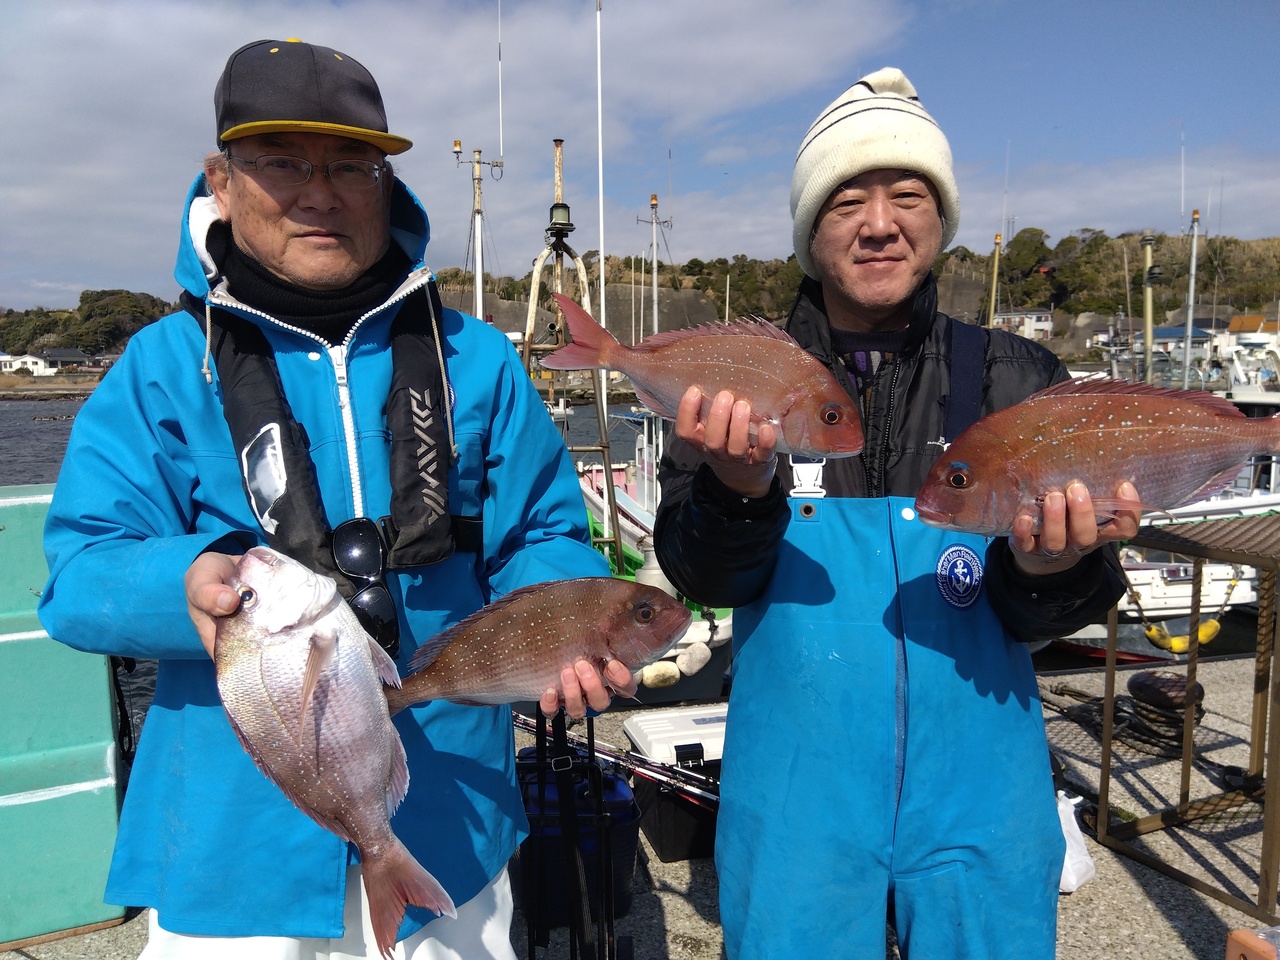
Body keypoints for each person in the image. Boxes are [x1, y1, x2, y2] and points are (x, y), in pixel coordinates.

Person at [38, 38, 632, 960]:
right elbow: (77, 575)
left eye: (351, 163)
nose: (319, 190)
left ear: (386, 182)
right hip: (233, 852)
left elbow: (545, 533)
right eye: (279, 161)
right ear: (221, 181)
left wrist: (571, 631)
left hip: (448, 832)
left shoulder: (477, 361)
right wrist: (181, 581)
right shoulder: (158, 369)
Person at [654, 67, 1140, 960]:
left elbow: (1074, 601)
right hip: (797, 799)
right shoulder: (747, 375)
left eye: (907, 195)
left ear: (940, 219)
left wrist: (1050, 566)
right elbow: (706, 579)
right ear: (810, 231)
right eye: (846, 202)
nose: (880, 223)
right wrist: (735, 488)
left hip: (982, 799)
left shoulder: (1020, 379)